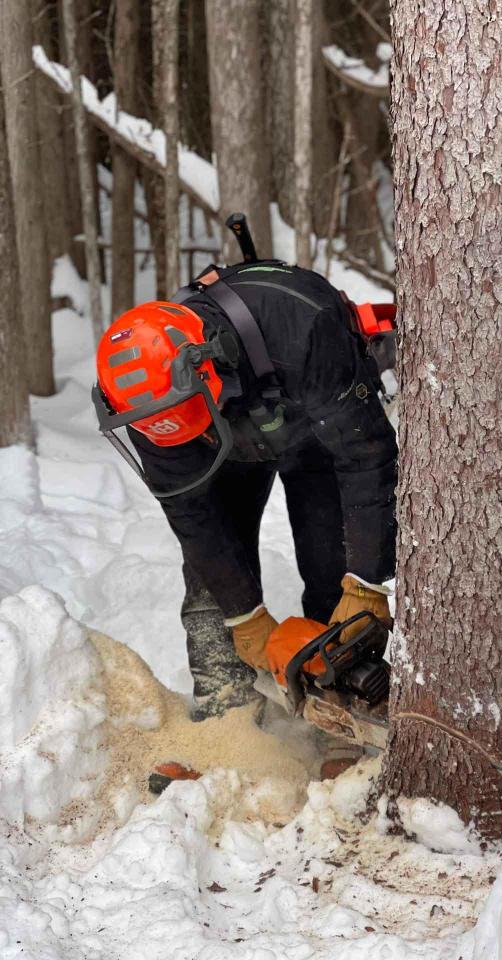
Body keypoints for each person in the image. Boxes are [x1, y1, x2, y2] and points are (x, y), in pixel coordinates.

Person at [93, 254, 397, 719]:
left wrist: (367, 581)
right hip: (220, 439)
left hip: (317, 428)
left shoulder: (303, 323)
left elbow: (366, 455)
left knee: (333, 565)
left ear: (207, 364)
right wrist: (244, 616)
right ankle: (227, 714)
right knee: (213, 587)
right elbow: (193, 516)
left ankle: (339, 711)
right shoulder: (141, 399)